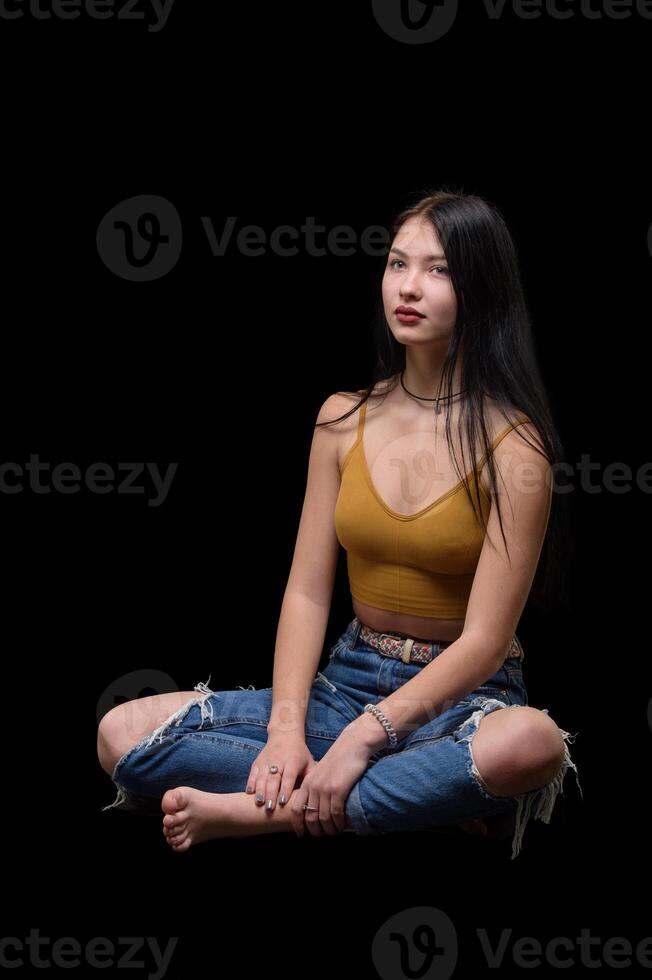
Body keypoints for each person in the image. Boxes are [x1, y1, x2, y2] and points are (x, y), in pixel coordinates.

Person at [97, 188, 583, 859]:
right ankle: (410, 801)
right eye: (397, 264)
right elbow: (306, 593)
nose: (408, 288)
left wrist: (364, 738)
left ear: (482, 288)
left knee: (534, 745)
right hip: (346, 681)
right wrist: (287, 732)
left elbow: (486, 641)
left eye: (439, 271)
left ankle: (264, 813)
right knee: (121, 733)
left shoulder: (515, 445)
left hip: (460, 698)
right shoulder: (341, 419)